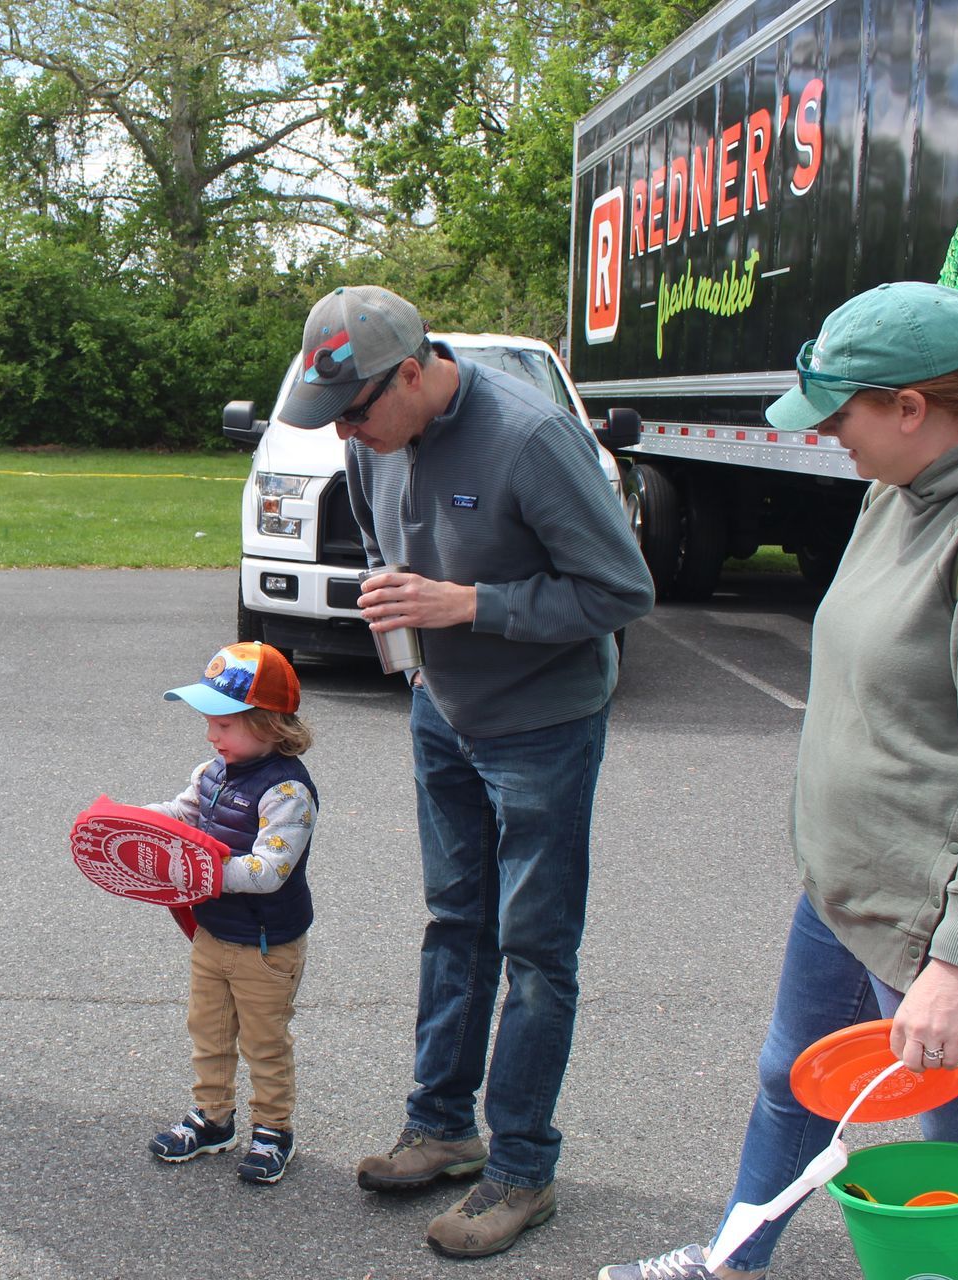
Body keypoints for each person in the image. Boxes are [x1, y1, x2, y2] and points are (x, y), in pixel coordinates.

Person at [601, 281, 958, 1280]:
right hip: (849, 892)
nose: (826, 432)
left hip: (951, 929)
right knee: (791, 1078)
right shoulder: (893, 493)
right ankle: (734, 1260)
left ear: (911, 407)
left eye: (840, 411)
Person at [274, 285, 654, 1257]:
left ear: (413, 370)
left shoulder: (531, 439)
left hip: (541, 722)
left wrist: (467, 603)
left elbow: (620, 590)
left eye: (358, 411)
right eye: (336, 418)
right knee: (454, 921)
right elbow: (383, 542)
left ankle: (523, 1166)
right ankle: (441, 1124)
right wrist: (412, 640)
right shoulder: (369, 440)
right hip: (442, 712)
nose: (348, 433)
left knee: (535, 948)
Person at [140, 641, 319, 1186]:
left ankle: (273, 1129)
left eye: (223, 724)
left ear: (268, 724)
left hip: (267, 945)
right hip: (213, 932)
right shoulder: (213, 771)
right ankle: (213, 1117)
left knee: (264, 1040)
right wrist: (132, 820)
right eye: (208, 722)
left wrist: (201, 872)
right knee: (209, 1030)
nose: (211, 736)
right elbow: (182, 812)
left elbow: (269, 871)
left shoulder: (288, 790)